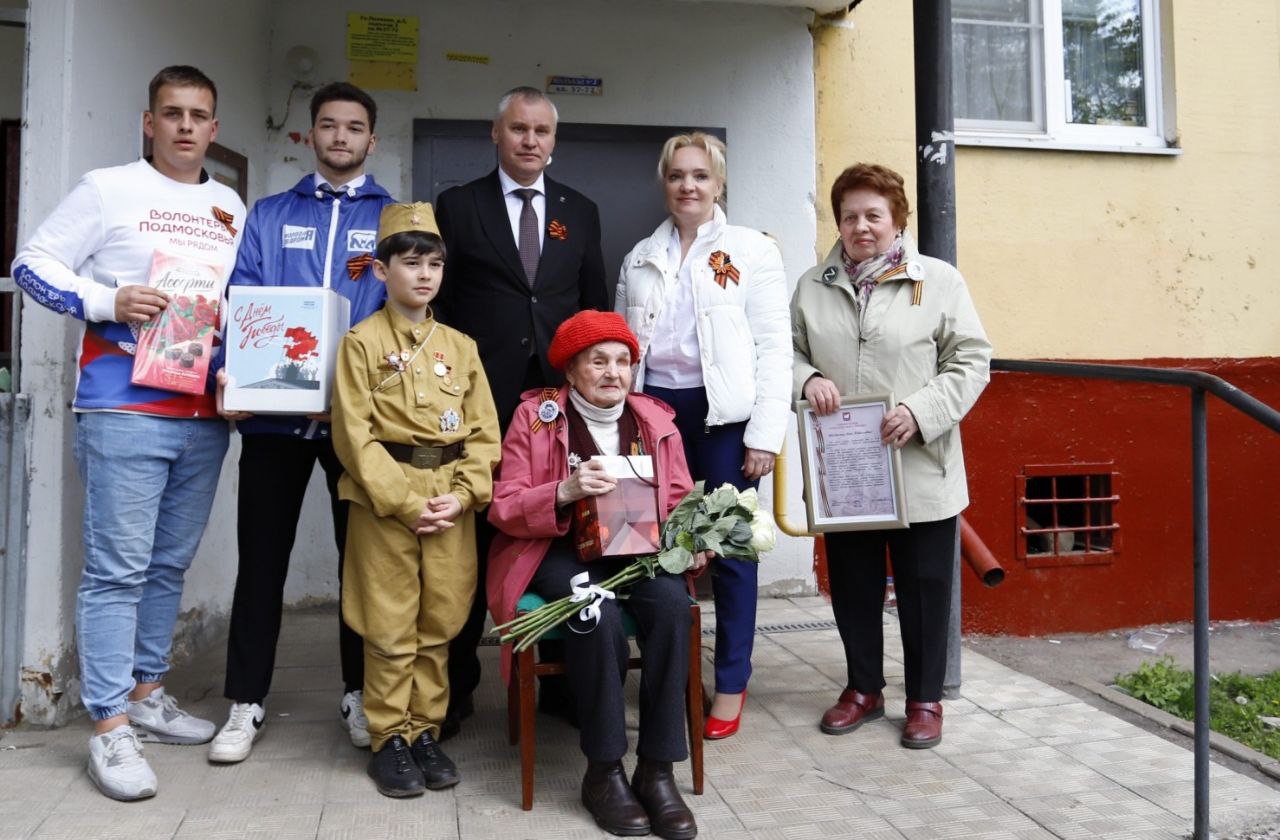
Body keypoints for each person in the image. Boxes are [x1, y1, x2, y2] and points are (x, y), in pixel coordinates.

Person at [10, 66, 244, 800]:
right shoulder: (106, 188)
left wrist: (245, 369)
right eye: (170, 113)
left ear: (213, 126)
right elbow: (29, 265)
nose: (184, 126)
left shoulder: (228, 204)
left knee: (167, 563)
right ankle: (108, 726)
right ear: (149, 123)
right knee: (117, 569)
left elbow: (237, 304)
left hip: (204, 414)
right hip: (123, 408)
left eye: (198, 115)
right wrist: (109, 298)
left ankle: (146, 693)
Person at [208, 82, 394, 764]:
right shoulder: (268, 213)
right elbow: (245, 297)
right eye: (328, 125)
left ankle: (359, 692)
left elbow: (399, 306)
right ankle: (245, 702)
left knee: (362, 564)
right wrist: (239, 375)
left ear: (371, 140)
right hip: (275, 422)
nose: (340, 136)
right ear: (309, 135)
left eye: (353, 127)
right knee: (261, 563)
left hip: (358, 422)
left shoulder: (393, 215)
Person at [791, 163, 991, 749]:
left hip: (921, 464)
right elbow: (783, 353)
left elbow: (972, 359)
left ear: (897, 219)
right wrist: (805, 381)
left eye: (874, 215)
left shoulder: (940, 282)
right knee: (852, 583)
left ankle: (924, 699)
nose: (861, 227)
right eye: (850, 216)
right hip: (846, 469)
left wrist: (922, 412)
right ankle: (863, 689)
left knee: (925, 587)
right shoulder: (811, 286)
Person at [487, 310, 704, 839]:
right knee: (597, 613)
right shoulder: (535, 418)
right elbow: (503, 505)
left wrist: (693, 541)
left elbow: (677, 498)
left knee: (675, 608)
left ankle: (657, 769)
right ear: (570, 367)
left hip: (638, 549)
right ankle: (604, 771)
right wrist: (565, 489)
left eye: (623, 361)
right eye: (598, 361)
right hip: (555, 550)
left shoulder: (655, 419)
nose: (613, 372)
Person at [434, 85, 608, 735]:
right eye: (518, 129)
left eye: (541, 131)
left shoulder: (579, 211)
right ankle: (456, 688)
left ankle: (563, 678)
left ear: (553, 140)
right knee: (470, 544)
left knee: (560, 537)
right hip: (480, 403)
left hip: (558, 413)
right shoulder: (457, 206)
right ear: (495, 133)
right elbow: (440, 304)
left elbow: (592, 308)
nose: (530, 141)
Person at [615, 132, 790, 740]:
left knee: (733, 553)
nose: (687, 186)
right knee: (654, 542)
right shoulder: (640, 255)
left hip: (725, 422)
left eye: (700, 176)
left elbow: (774, 347)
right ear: (664, 183)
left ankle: (731, 684)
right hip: (656, 418)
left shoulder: (752, 251)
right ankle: (665, 674)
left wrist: (765, 434)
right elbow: (626, 348)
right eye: (676, 176)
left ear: (719, 184)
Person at [330, 202, 501, 797]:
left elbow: (484, 433)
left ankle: (425, 727)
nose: (423, 274)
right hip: (387, 501)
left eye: (433, 263)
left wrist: (463, 495)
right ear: (381, 271)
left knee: (441, 621)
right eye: (409, 263)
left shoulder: (461, 345)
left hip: (449, 501)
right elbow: (354, 434)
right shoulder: (360, 343)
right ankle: (388, 738)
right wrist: (404, 501)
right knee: (389, 623)